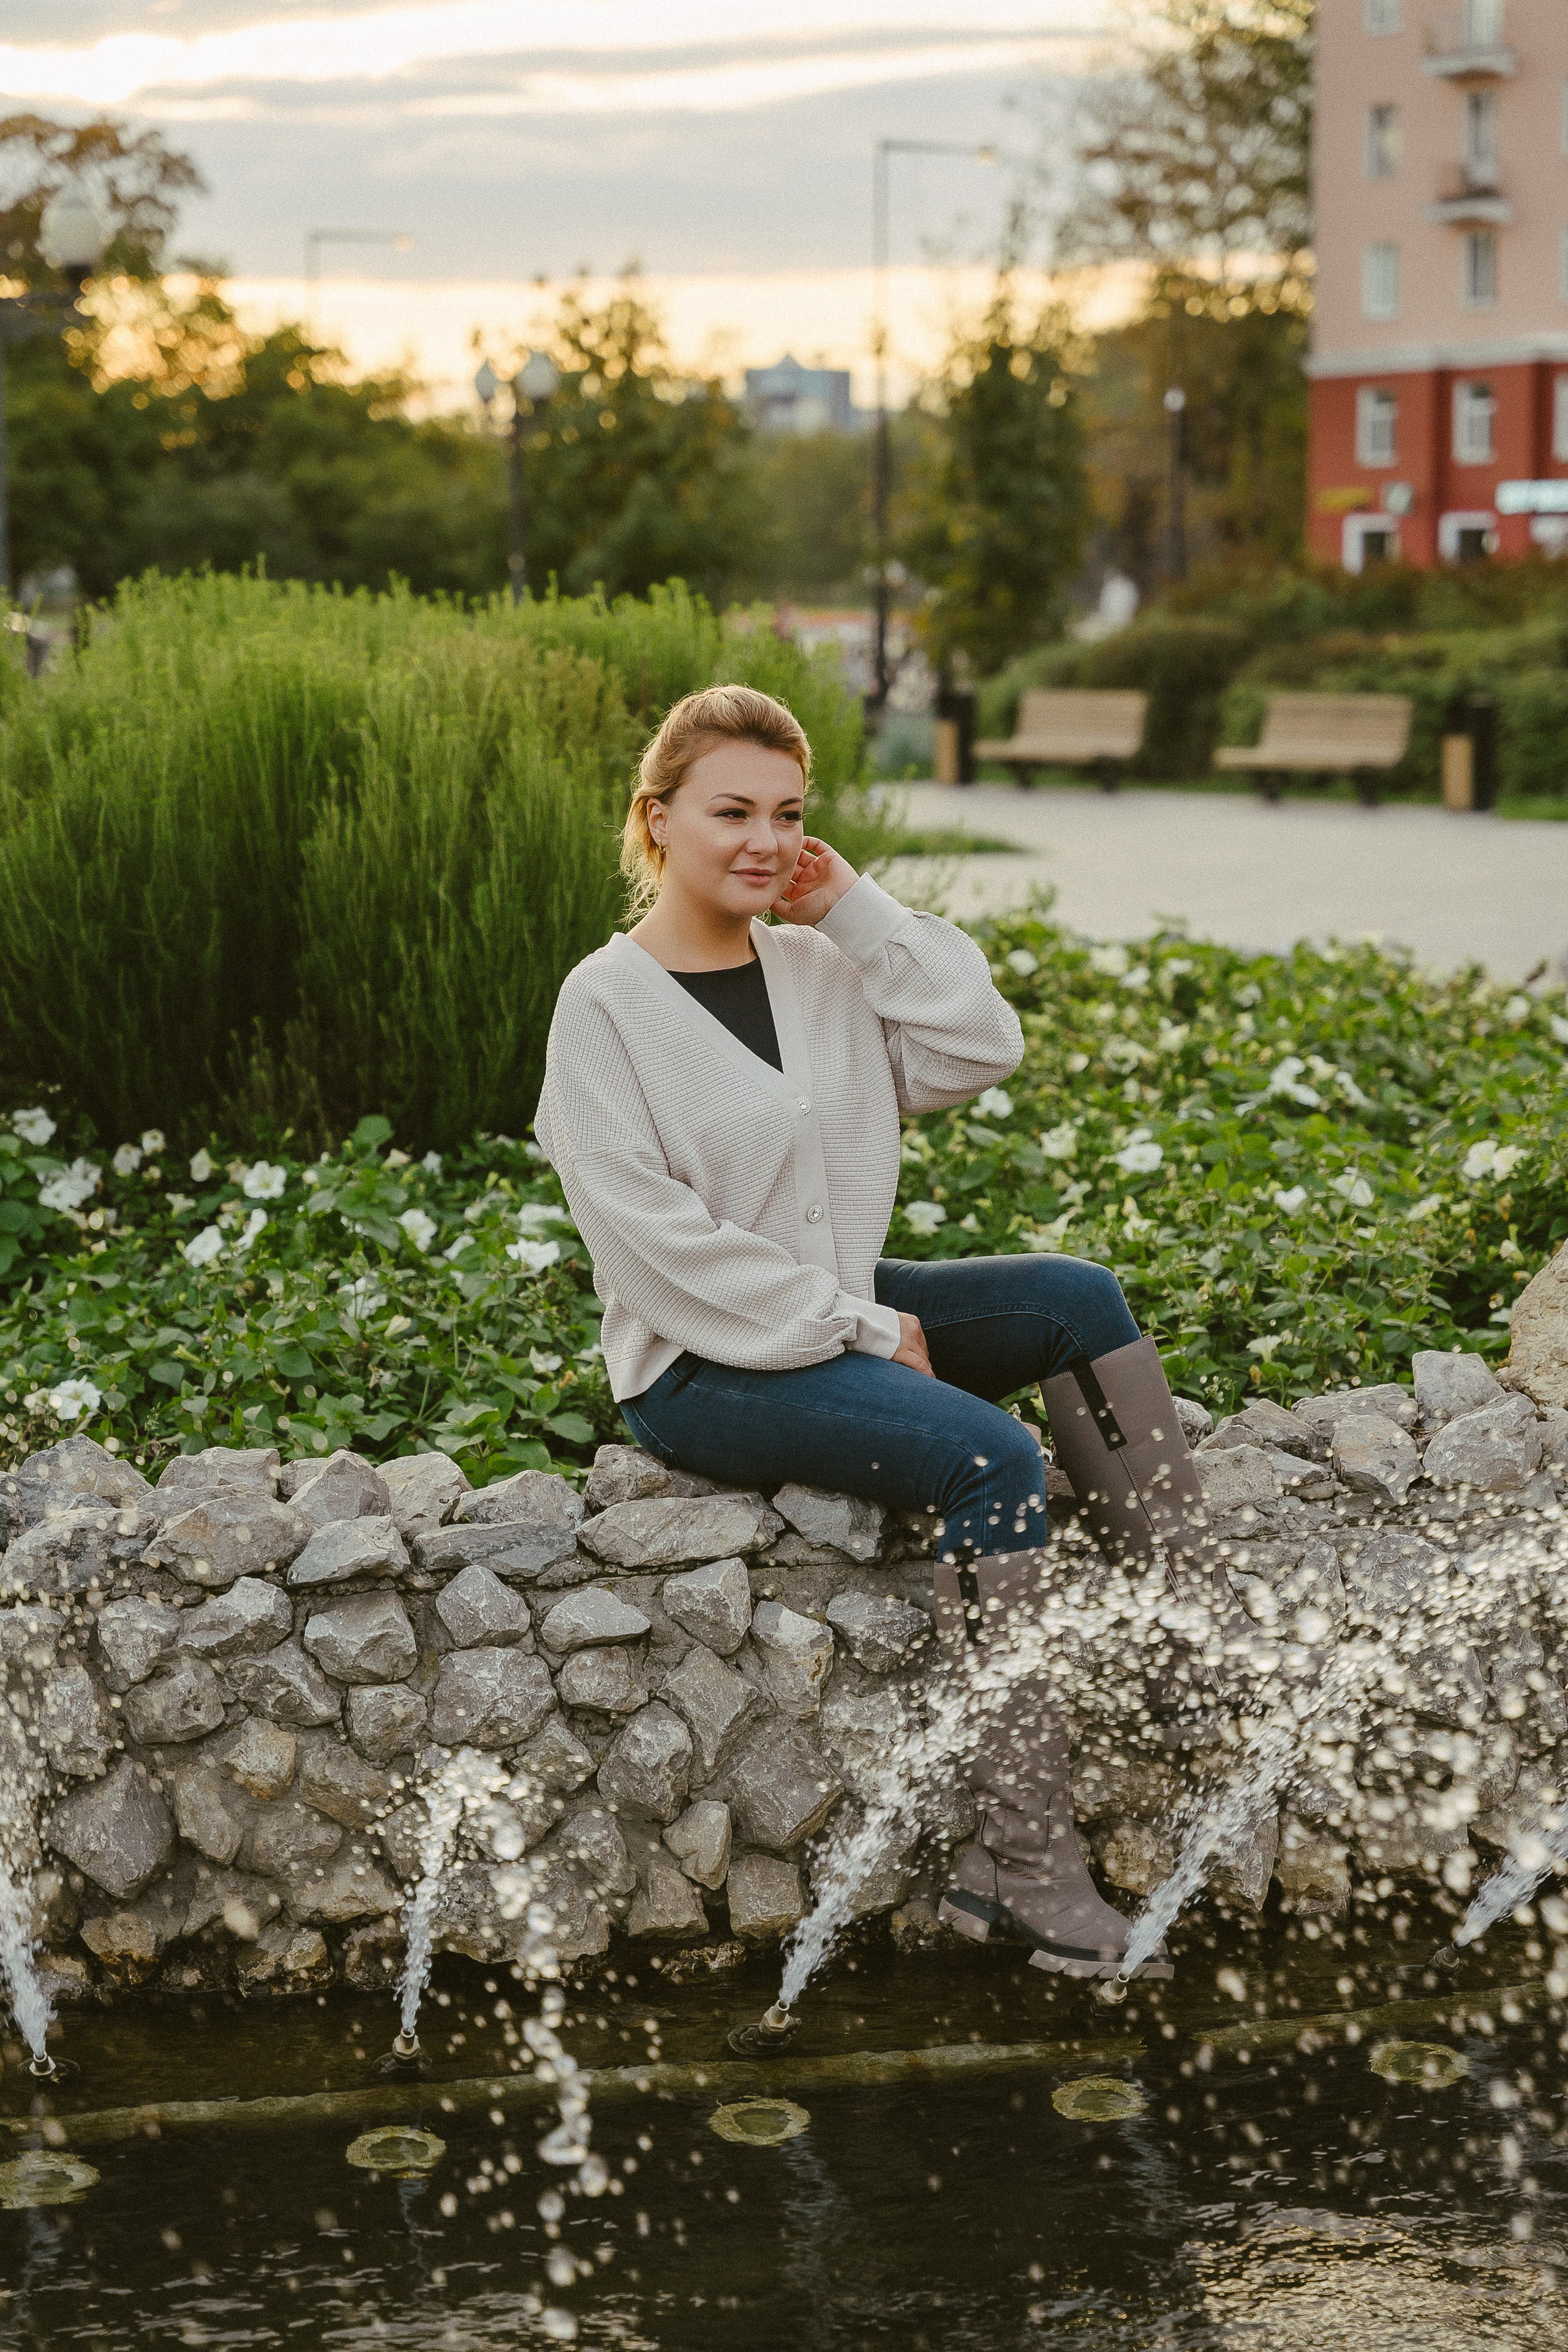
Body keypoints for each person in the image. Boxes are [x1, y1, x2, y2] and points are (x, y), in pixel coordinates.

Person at [537, 684, 1250, 1984]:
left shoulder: (816, 966)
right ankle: (1017, 1870)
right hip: (706, 1363)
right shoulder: (604, 1007)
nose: (762, 840)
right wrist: (853, 1324)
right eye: (731, 811)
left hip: (829, 1305)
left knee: (1076, 1299)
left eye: (788, 815)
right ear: (657, 818)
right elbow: (652, 1245)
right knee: (989, 1457)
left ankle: (1193, 1662)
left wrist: (851, 909)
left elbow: (979, 1045)